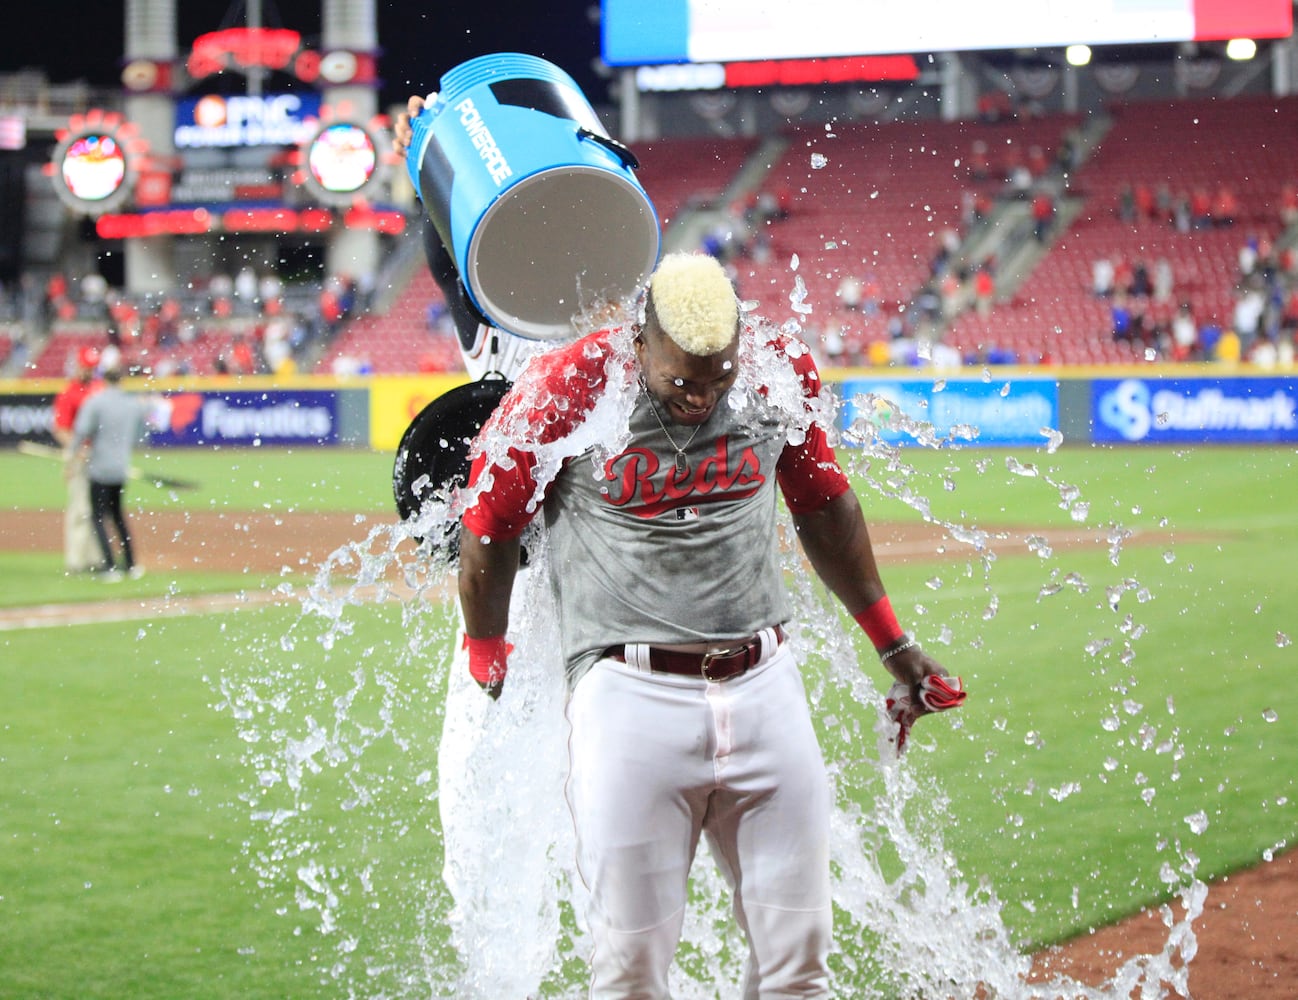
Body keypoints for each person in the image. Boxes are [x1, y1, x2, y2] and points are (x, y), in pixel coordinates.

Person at [455, 251, 965, 997]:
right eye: (681, 380)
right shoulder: (570, 386)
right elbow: (490, 525)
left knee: (800, 963)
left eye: (717, 377)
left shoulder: (773, 368)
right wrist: (486, 646)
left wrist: (895, 642)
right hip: (629, 698)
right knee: (629, 970)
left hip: (764, 687)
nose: (701, 396)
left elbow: (824, 505)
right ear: (640, 340)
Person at [70, 356, 149, 579]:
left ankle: (110, 566)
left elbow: (81, 431)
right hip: (121, 468)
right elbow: (140, 432)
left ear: (103, 379)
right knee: (117, 516)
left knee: (98, 516)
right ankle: (132, 564)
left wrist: (74, 455)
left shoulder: (96, 402)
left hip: (100, 468)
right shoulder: (131, 403)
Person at [51, 346, 103, 573]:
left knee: (98, 509)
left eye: (93, 368)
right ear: (78, 365)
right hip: (80, 457)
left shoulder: (99, 390)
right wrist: (77, 449)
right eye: (86, 367)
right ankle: (76, 560)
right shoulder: (68, 393)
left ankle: (96, 557)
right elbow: (61, 429)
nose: (89, 371)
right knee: (80, 507)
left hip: (101, 457)